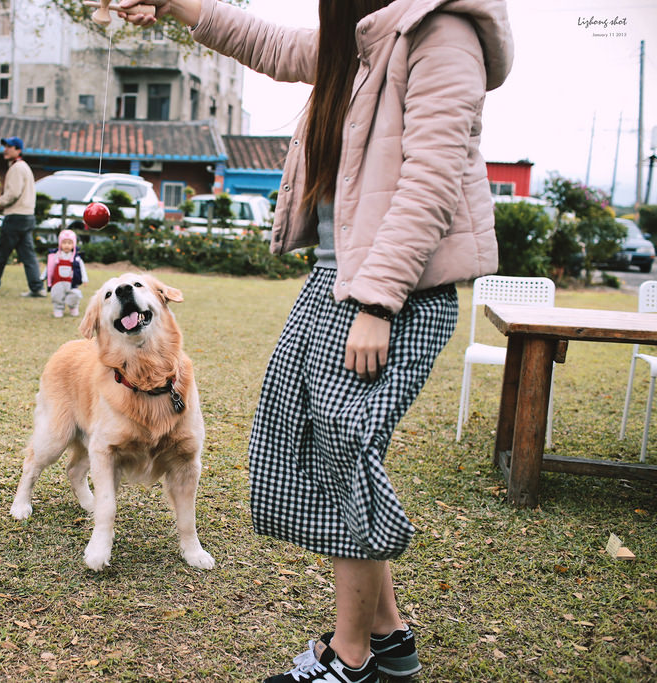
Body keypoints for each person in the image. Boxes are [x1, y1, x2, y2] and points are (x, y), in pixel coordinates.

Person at [116, 0, 512, 681]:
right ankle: (389, 636)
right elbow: (265, 41)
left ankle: (351, 657)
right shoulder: (360, 38)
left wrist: (377, 303)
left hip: (391, 295)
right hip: (335, 283)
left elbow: (431, 179)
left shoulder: (443, 32)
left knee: (346, 455)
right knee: (329, 451)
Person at [0, 136, 45, 297]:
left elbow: (13, 193)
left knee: (1, 252)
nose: (5, 149)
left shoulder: (16, 168)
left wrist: (0, 204)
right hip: (27, 216)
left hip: (15, 216)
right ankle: (37, 287)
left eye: (10, 146)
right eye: (5, 146)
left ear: (18, 150)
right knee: (28, 254)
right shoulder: (24, 167)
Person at [45, 228, 88, 318]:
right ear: (60, 244)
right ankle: (58, 308)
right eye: (64, 243)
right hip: (57, 282)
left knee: (75, 294)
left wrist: (85, 279)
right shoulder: (56, 256)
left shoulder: (76, 259)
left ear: (74, 244)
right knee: (57, 295)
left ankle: (73, 307)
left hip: (71, 282)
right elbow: (49, 267)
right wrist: (44, 276)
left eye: (69, 243)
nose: (67, 245)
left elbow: (82, 268)